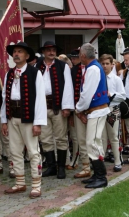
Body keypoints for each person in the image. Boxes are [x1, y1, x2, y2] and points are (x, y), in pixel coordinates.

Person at [1, 42, 46, 198]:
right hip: (12, 116)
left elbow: (40, 99)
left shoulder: (35, 73)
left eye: (20, 52)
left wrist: (38, 123)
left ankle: (36, 185)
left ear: (27, 56)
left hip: (29, 118)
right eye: (14, 52)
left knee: (33, 152)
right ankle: (20, 183)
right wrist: (4, 120)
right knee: (14, 151)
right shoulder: (9, 74)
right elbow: (4, 98)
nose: (16, 54)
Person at [35, 41, 74, 179]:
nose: (51, 52)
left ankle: (61, 167)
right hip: (42, 107)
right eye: (48, 50)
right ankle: (51, 166)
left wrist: (66, 107)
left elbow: (68, 87)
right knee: (45, 138)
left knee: (61, 138)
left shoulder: (62, 66)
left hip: (58, 106)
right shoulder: (37, 66)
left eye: (53, 50)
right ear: (44, 52)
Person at [75, 43, 110, 189]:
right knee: (95, 142)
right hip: (96, 110)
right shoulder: (94, 67)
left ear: (83, 55)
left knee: (92, 143)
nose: (79, 57)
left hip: (96, 110)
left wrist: (78, 109)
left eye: (79, 55)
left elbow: (86, 94)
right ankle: (97, 174)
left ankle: (101, 177)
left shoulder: (92, 69)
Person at [100, 54, 126, 172]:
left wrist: (112, 95)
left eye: (107, 64)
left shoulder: (116, 79)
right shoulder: (99, 78)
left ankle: (117, 161)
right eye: (103, 64)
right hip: (100, 110)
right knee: (101, 137)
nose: (105, 66)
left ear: (112, 65)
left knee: (114, 136)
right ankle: (101, 162)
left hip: (112, 110)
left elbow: (123, 96)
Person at [69, 48, 92, 179]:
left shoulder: (93, 69)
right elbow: (71, 91)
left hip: (93, 109)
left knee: (94, 139)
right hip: (78, 109)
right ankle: (85, 166)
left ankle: (96, 163)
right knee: (81, 138)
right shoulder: (74, 70)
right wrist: (76, 111)